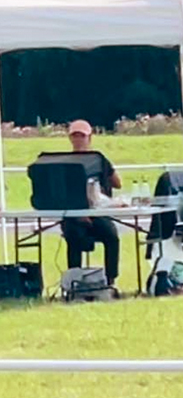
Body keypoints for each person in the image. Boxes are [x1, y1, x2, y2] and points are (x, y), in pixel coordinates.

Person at [60, 119, 122, 289]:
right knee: (73, 236)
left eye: (82, 136)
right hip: (73, 216)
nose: (79, 139)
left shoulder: (99, 159)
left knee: (111, 236)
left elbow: (117, 182)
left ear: (90, 138)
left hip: (98, 213)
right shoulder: (63, 162)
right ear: (70, 138)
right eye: (75, 136)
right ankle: (74, 281)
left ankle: (111, 281)